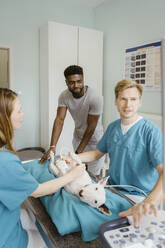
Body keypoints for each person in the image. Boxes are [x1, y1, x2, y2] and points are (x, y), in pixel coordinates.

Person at [68, 79, 164, 226]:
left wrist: (149, 202)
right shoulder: (113, 128)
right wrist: (72, 157)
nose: (128, 105)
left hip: (139, 197)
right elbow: (96, 154)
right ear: (116, 101)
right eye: (123, 99)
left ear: (140, 102)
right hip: (113, 191)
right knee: (77, 212)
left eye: (133, 99)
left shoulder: (150, 131)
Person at [0, 88, 85, 248]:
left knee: (31, 218)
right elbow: (37, 191)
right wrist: (71, 175)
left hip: (8, 217)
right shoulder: (5, 160)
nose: (23, 114)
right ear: (4, 118)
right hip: (6, 239)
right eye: (19, 111)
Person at [40, 65, 105, 176]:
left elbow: (91, 128)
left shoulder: (95, 97)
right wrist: (52, 147)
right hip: (78, 137)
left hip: (95, 141)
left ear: (83, 79)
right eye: (72, 82)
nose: (76, 85)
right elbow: (59, 120)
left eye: (79, 81)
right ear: (66, 82)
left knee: (93, 177)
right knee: (78, 173)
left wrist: (77, 153)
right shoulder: (64, 96)